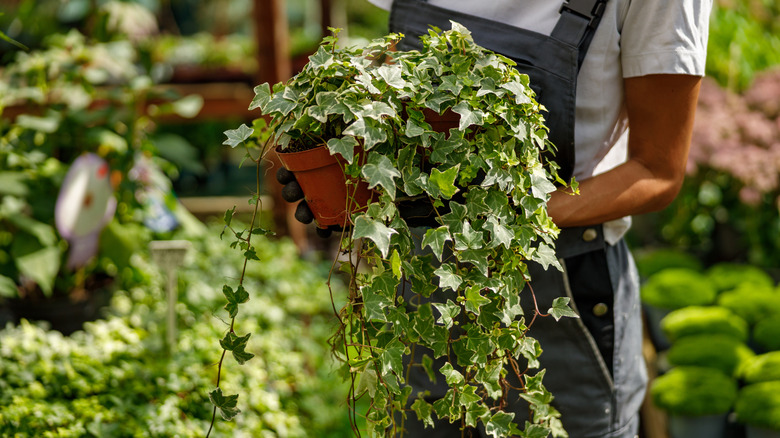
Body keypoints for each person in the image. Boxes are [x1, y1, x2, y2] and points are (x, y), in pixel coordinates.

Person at [283, 0, 712, 436]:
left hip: (552, 295)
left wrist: (494, 217)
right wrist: (342, 160)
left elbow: (657, 170)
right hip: (421, 283)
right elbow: (403, 73)